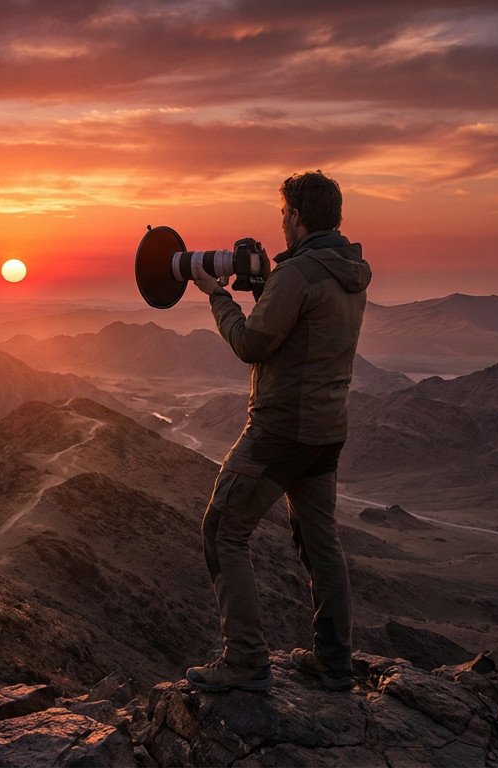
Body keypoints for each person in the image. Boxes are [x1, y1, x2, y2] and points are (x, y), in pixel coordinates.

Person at [185, 170, 371, 693]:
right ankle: (335, 663)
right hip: (326, 429)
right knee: (320, 543)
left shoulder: (298, 276)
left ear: (296, 215)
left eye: (283, 212)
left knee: (223, 530)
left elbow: (252, 343)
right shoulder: (349, 271)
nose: (281, 221)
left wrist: (216, 295)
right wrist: (268, 285)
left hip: (281, 429)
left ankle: (245, 661)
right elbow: (301, 330)